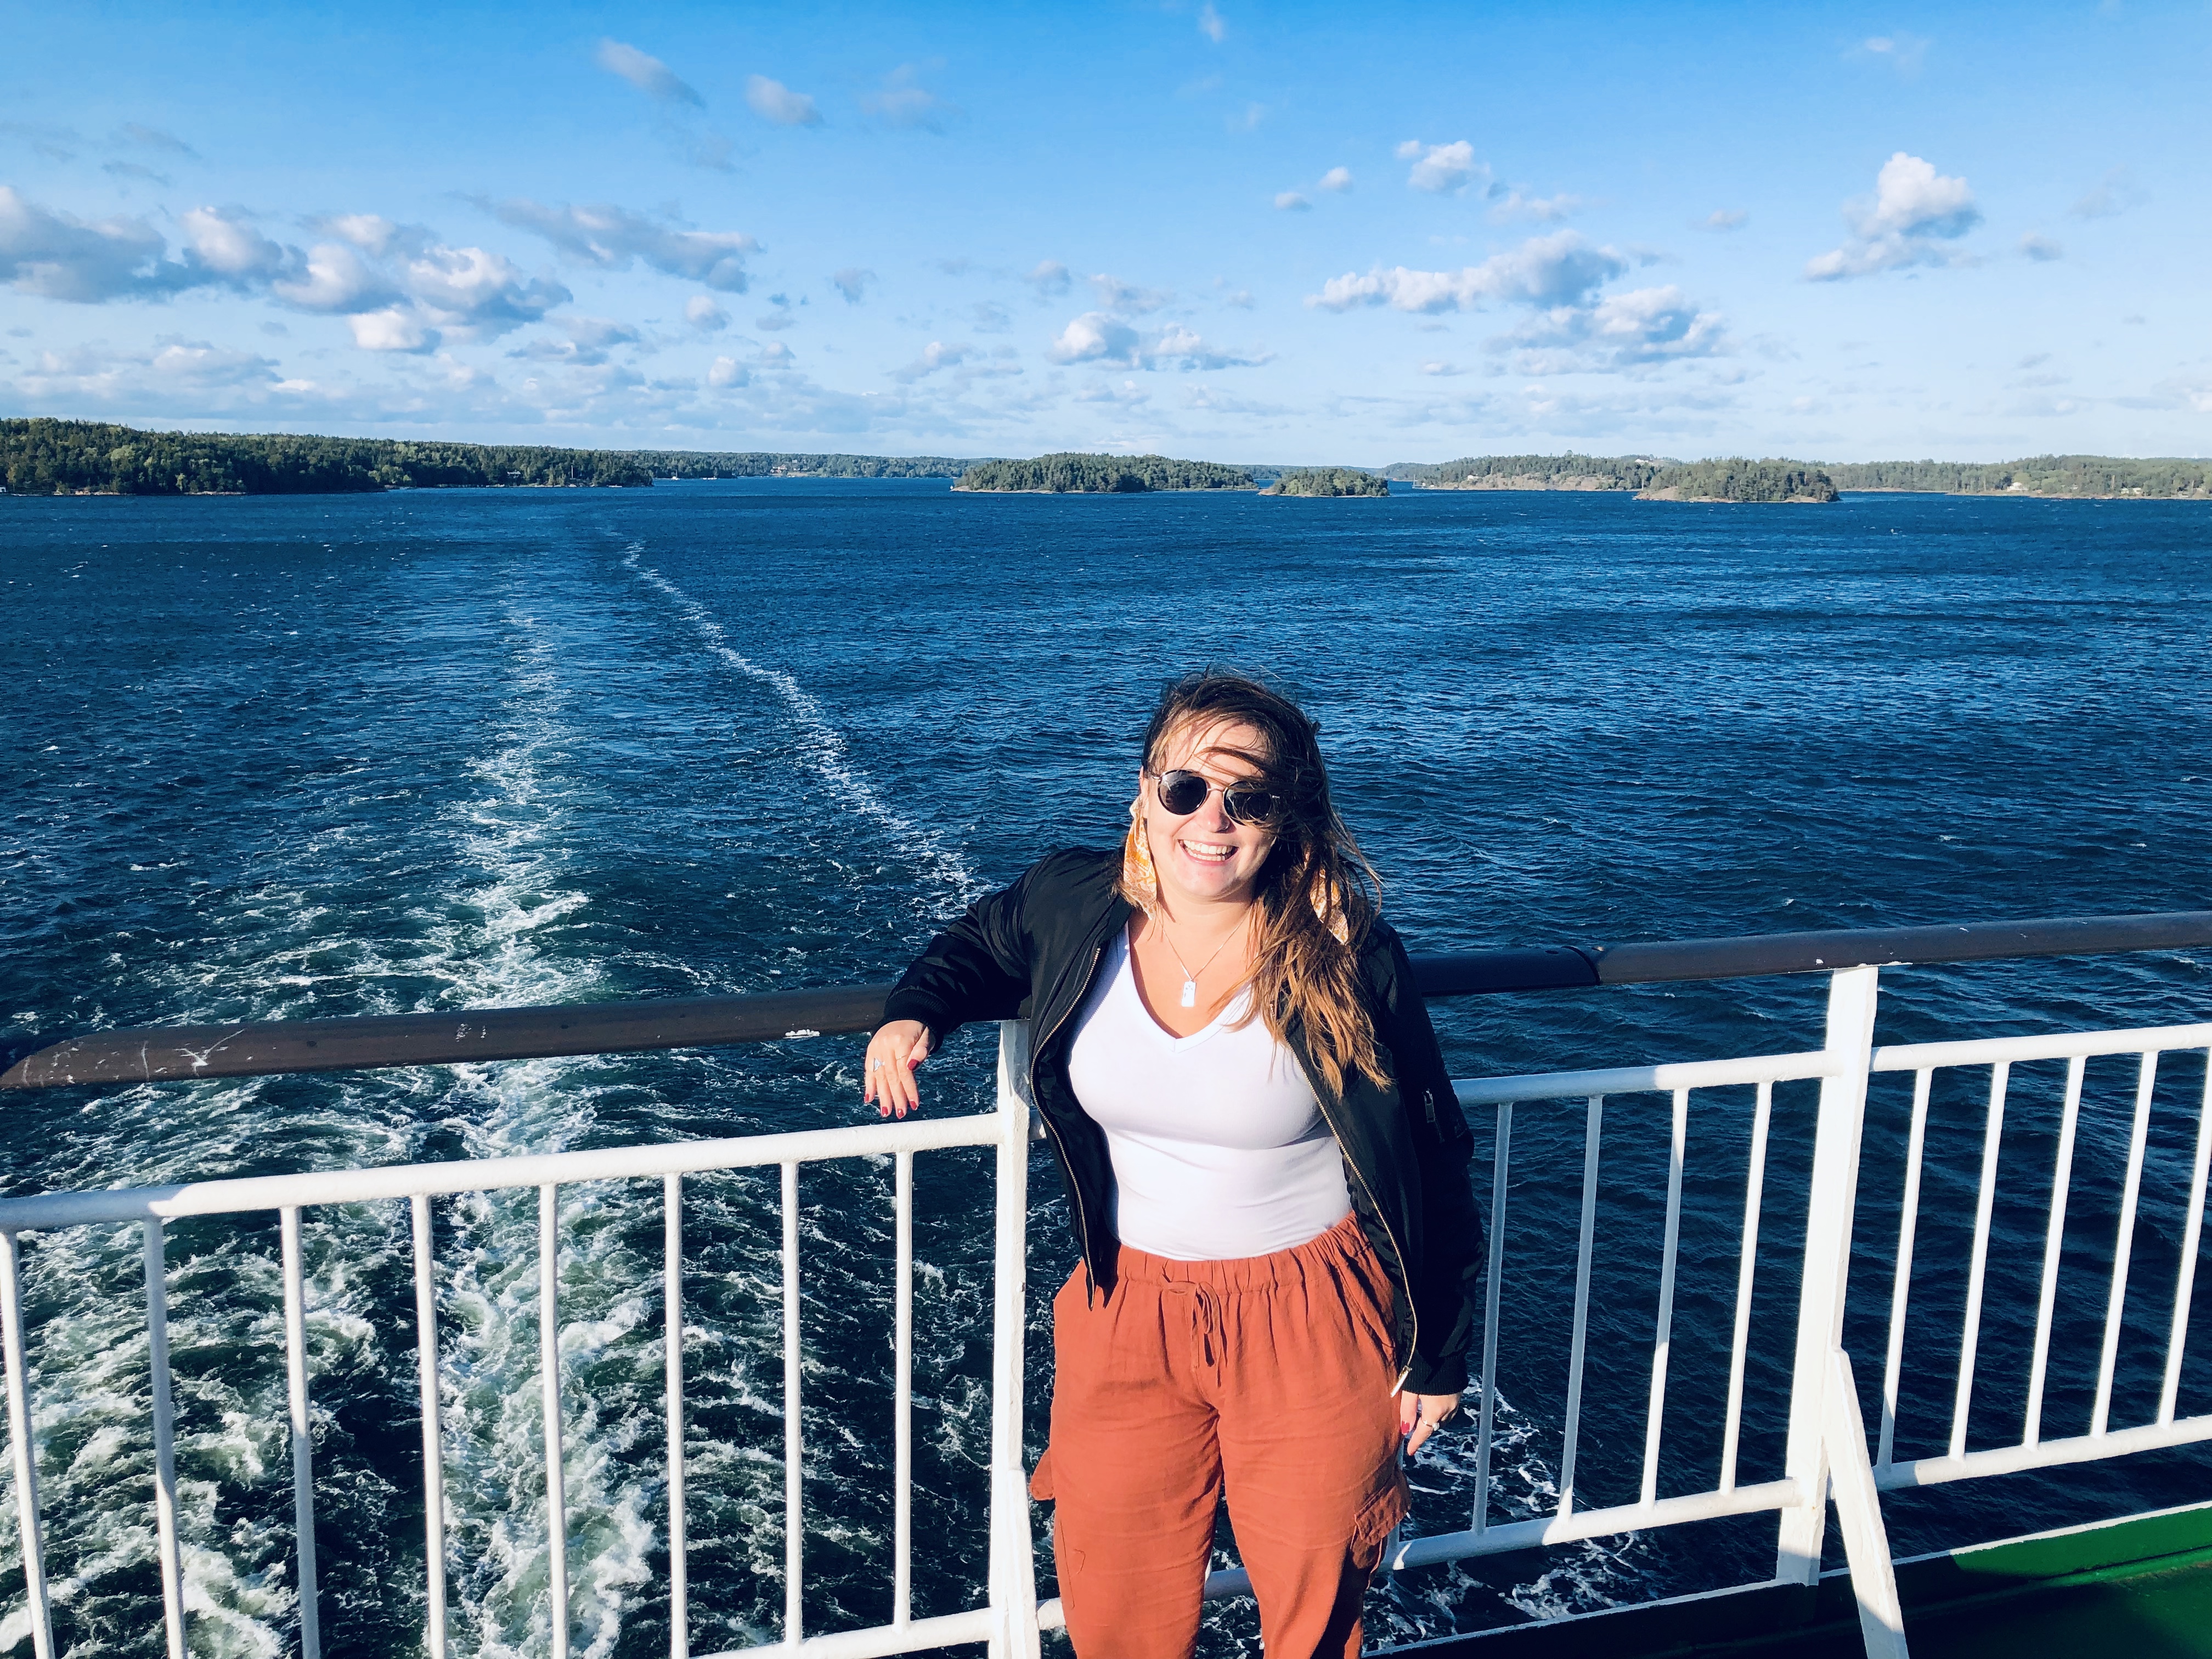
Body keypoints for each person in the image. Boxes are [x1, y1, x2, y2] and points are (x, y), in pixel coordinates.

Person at [861, 670, 1484, 1659]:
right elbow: (982, 938)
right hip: (1128, 1308)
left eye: (1249, 799)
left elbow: (1433, 1147)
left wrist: (1437, 1352)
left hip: (1311, 1313)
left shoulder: (1344, 954)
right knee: (1115, 1592)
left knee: (1314, 1596)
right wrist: (912, 1012)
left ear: (1289, 819)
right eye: (1187, 788)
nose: (1213, 820)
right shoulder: (1075, 902)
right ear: (1144, 795)